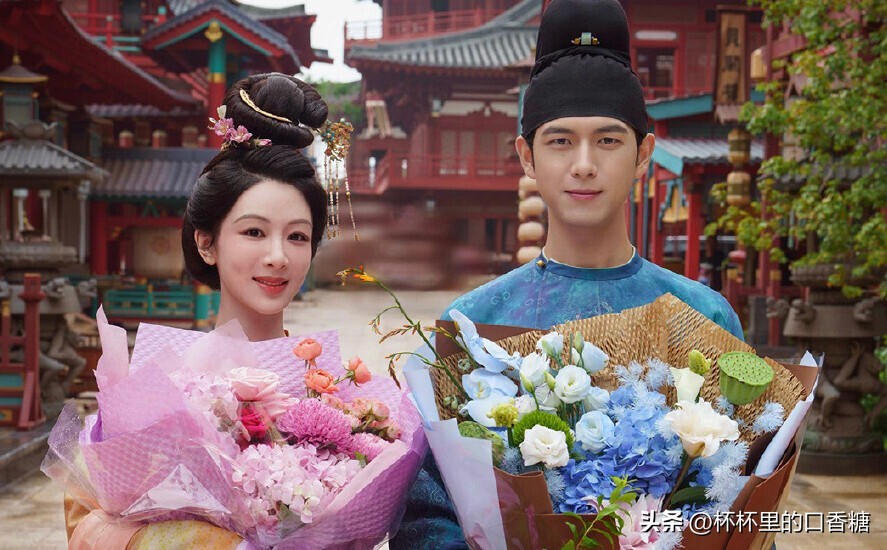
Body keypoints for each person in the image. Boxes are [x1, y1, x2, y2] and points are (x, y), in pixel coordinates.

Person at [391, 1, 743, 547]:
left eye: (608, 140)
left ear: (643, 153)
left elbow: (741, 501)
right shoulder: (473, 323)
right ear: (526, 156)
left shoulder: (705, 316)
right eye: (560, 141)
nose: (583, 164)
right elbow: (426, 515)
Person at [65, 73, 331, 549]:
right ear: (207, 242)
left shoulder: (334, 396)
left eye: (297, 236)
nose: (278, 256)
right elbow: (87, 518)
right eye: (253, 232)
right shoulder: (152, 386)